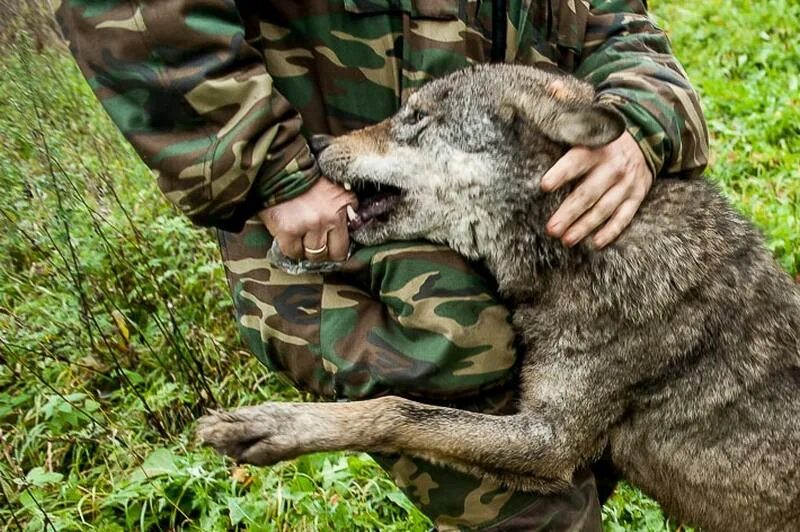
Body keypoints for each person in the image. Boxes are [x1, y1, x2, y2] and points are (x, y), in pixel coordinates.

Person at [56, 1, 708, 529]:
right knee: (535, 515)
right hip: (373, 253)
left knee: (611, 470)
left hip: (561, 254)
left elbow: (617, 22)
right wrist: (276, 176)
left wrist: (638, 126)